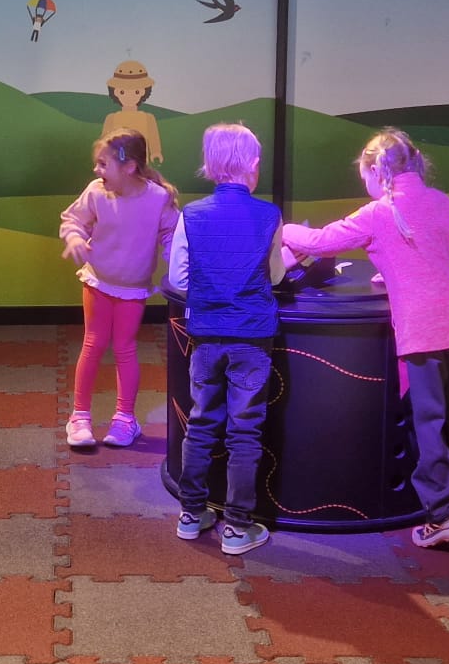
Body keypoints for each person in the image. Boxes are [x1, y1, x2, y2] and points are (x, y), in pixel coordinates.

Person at [282, 130, 449, 549]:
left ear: (377, 172)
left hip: (424, 327)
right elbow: (438, 256)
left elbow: (322, 242)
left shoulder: (380, 212)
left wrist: (283, 228)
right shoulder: (443, 202)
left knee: (427, 420)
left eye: (364, 177)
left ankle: (442, 515)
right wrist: (391, 269)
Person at [168, 123, 285, 556]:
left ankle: (190, 513)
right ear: (253, 164)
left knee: (201, 423)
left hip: (206, 336)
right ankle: (237, 526)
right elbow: (276, 276)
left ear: (210, 164)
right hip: (252, 338)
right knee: (244, 430)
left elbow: (178, 278)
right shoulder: (269, 215)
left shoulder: (191, 214)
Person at [59, 131, 179, 450]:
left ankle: (125, 419)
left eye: (103, 164)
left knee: (125, 348)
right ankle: (80, 417)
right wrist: (74, 237)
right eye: (96, 163)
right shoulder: (96, 192)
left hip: (133, 288)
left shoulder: (157, 198)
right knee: (93, 343)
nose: (96, 170)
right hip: (98, 280)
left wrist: (174, 256)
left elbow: (171, 232)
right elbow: (73, 220)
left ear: (129, 167)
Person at [100, 59, 163, 165]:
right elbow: (104, 142)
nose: (129, 96)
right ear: (115, 92)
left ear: (144, 92)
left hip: (140, 164)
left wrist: (156, 152)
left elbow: (153, 138)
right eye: (122, 92)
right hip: (117, 164)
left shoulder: (148, 118)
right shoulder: (112, 119)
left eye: (136, 91)